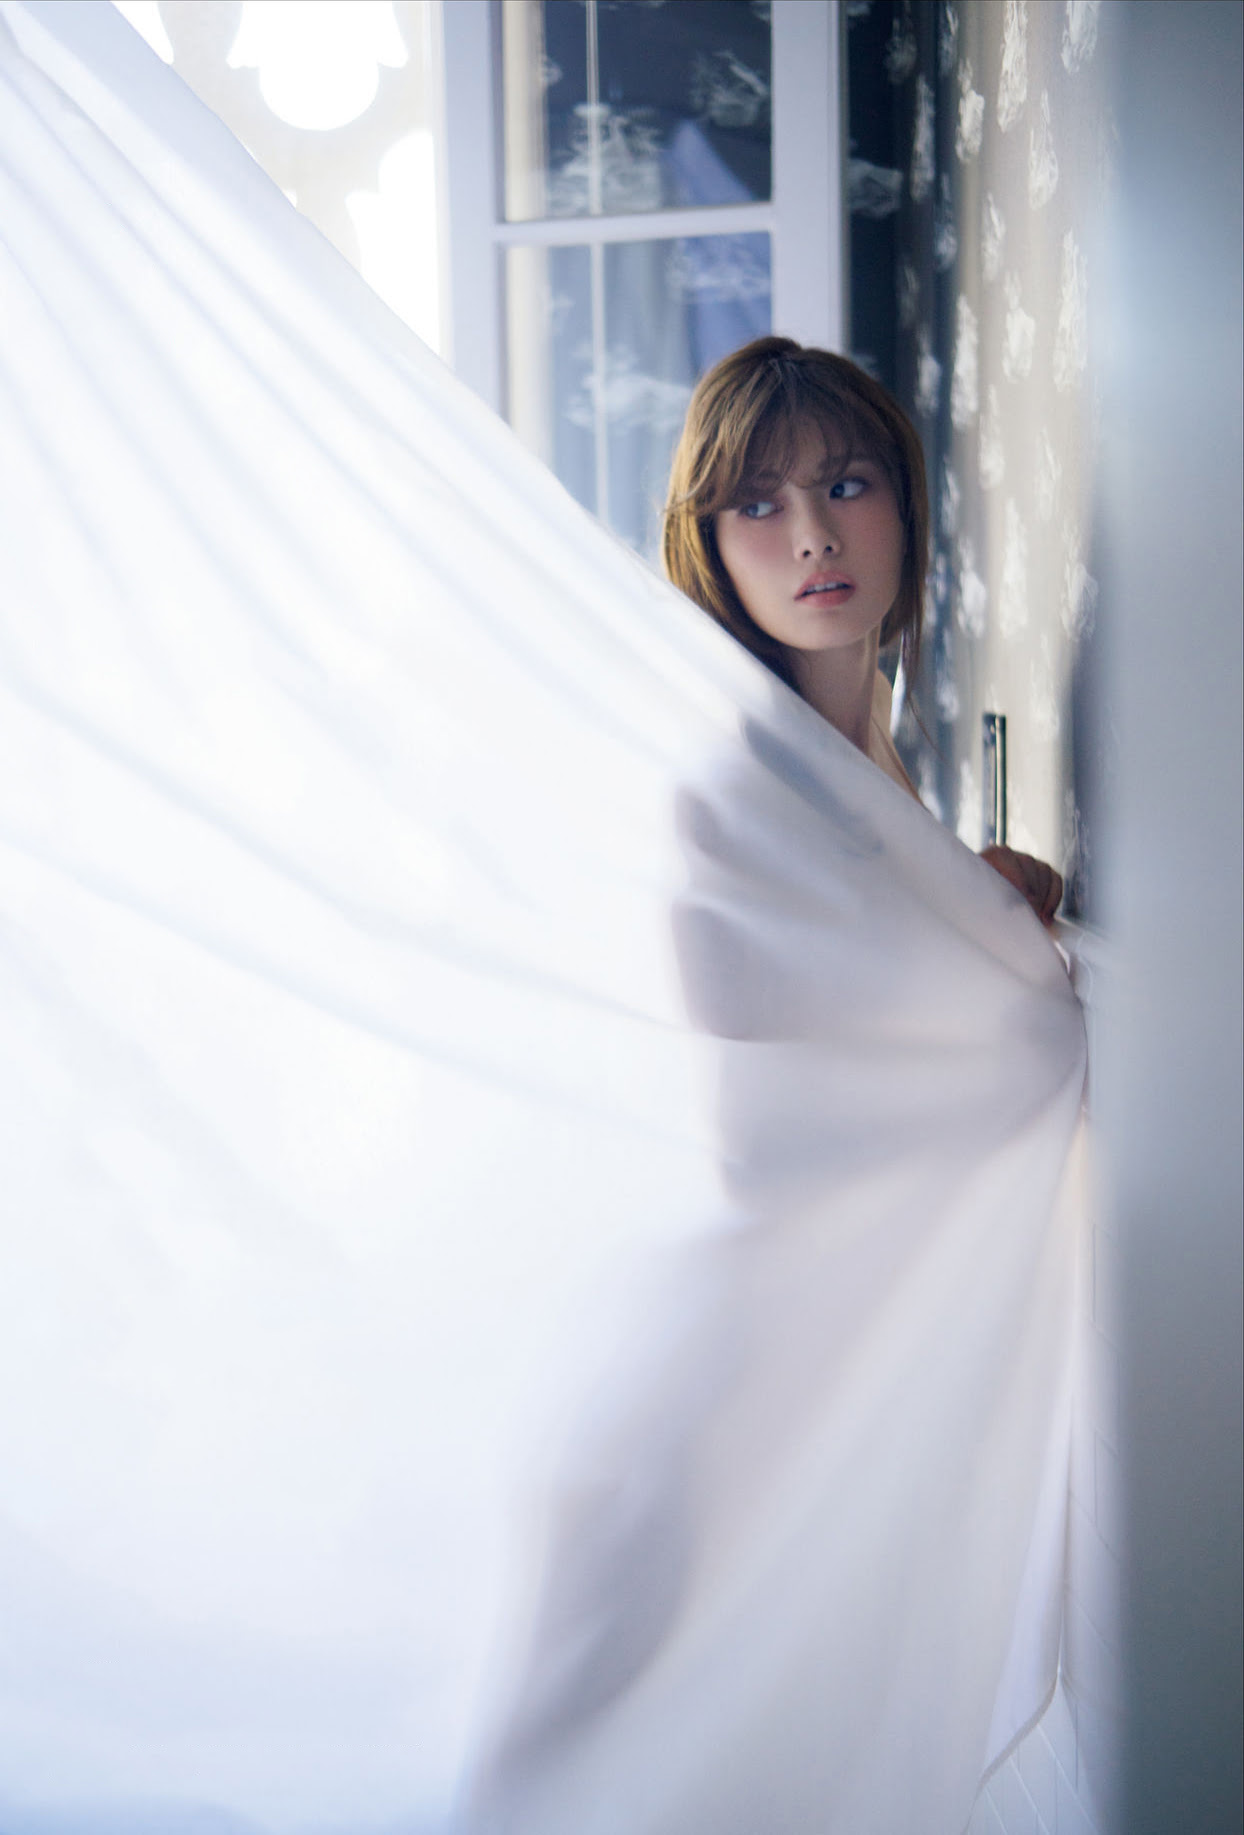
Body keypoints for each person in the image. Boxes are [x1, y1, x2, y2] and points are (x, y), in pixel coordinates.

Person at [663, 335, 1063, 926]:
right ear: (709, 547)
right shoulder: (730, 794)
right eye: (759, 506)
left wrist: (982, 889)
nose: (815, 538)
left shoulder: (871, 709)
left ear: (903, 506)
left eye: (844, 487)